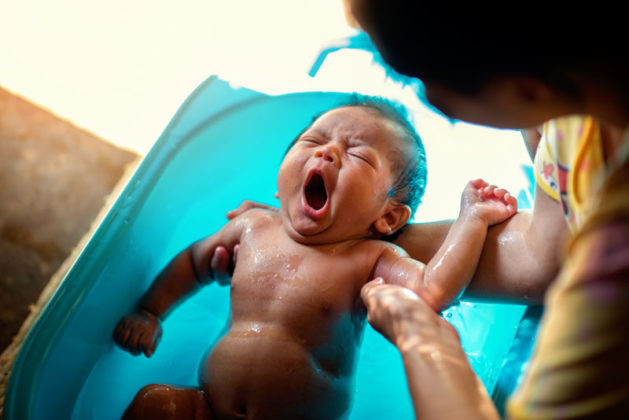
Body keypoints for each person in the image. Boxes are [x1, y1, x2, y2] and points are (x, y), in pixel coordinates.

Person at [113, 96, 517, 419]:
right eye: (312, 141)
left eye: (357, 154)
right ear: (279, 179)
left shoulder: (369, 258)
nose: (326, 154)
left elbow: (433, 290)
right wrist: (150, 311)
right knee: (155, 404)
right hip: (207, 407)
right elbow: (193, 262)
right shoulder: (252, 227)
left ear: (388, 216)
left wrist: (472, 220)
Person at [344, 2, 629, 418]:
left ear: (526, 88)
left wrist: (420, 333)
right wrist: (354, 234)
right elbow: (545, 252)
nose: (433, 102)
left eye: (425, 83)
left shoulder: (616, 255)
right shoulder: (573, 89)